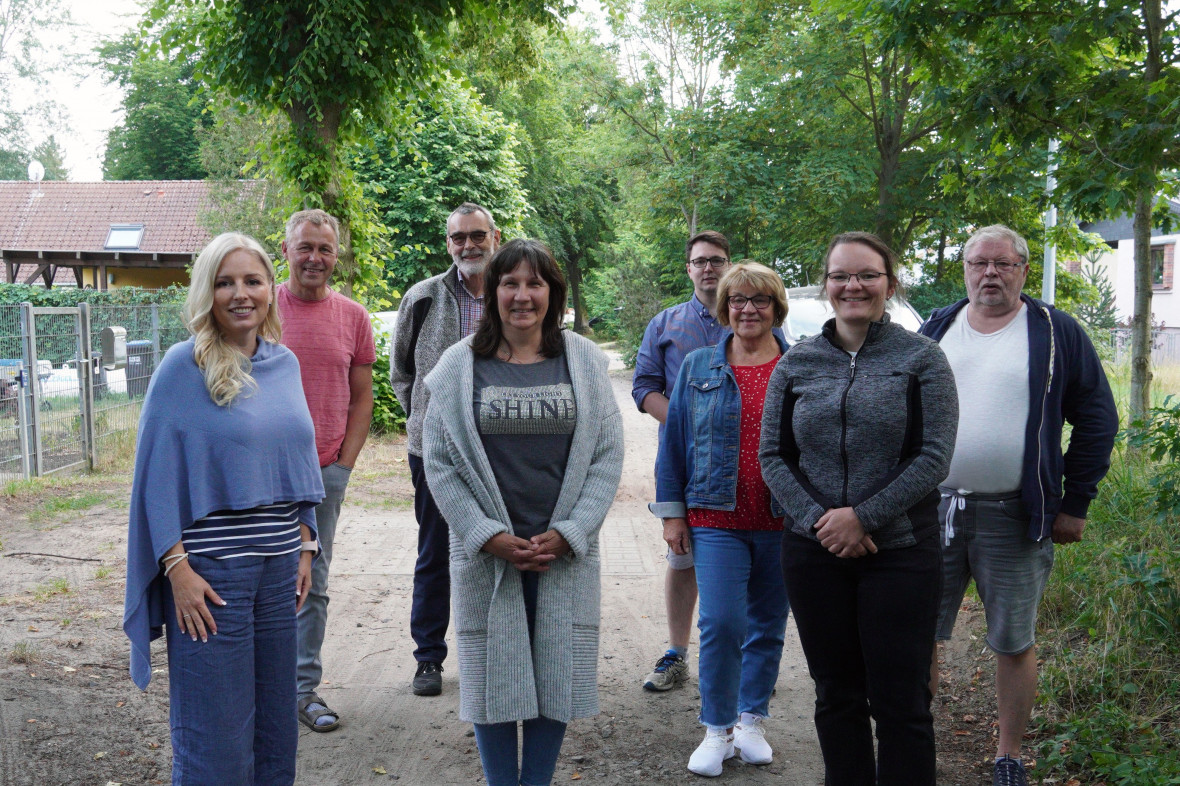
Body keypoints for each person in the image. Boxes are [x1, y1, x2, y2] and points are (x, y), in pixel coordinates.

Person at [123, 232, 325, 784]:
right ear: (206, 293)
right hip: (211, 578)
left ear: (270, 289)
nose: (241, 293)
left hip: (281, 570)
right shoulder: (180, 367)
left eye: (252, 281)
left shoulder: (284, 364)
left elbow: (297, 462)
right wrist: (176, 571)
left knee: (276, 731)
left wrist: (306, 543)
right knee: (215, 738)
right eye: (225, 282)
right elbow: (155, 480)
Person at [919, 224, 1117, 786]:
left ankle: (1008, 756)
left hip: (1017, 514)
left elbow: (1098, 419)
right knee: (919, 632)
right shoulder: (936, 328)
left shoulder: (1056, 332)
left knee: (1012, 638)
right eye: (979, 263)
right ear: (964, 268)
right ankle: (916, 743)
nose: (990, 273)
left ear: (1024, 270)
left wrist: (1075, 502)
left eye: (1004, 264)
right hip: (931, 511)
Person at [422, 239, 624, 786]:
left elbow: (607, 456)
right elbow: (440, 464)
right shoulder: (458, 365)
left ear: (552, 293)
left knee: (553, 674)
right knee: (491, 678)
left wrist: (571, 531)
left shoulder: (581, 359)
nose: (522, 295)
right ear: (493, 292)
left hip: (562, 555)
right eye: (510, 283)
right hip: (489, 557)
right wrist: (485, 535)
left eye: (535, 283)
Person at [759, 232, 958, 785]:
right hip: (814, 553)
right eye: (841, 275)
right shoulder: (796, 363)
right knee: (836, 695)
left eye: (867, 275)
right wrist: (826, 522)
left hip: (900, 555)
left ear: (889, 285)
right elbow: (773, 456)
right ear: (826, 286)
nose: (854, 285)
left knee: (901, 701)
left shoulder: (923, 358)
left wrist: (861, 517)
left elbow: (933, 456)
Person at [652, 262, 792, 777]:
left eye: (759, 300)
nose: (748, 309)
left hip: (783, 519)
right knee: (721, 622)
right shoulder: (698, 366)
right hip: (715, 515)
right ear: (724, 307)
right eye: (738, 300)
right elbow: (674, 444)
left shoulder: (798, 366)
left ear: (776, 307)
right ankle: (716, 729)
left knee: (768, 624)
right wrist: (673, 514)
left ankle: (751, 721)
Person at [391, 202, 501, 696]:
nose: (469, 246)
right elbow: (402, 374)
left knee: (499, 548)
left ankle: (498, 651)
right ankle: (428, 659)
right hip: (434, 449)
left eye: (477, 235)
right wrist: (426, 420)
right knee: (434, 551)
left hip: (502, 448)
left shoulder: (512, 291)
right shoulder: (423, 297)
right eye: (459, 238)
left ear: (495, 237)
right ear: (449, 242)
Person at [276, 209, 376, 732]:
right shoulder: (259, 305)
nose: (315, 257)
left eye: (325, 249)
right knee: (256, 578)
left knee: (310, 584)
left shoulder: (353, 317)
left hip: (322, 475)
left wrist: (343, 466)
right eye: (306, 246)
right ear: (287, 249)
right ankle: (259, 690)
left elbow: (363, 397)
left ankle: (302, 692)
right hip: (263, 475)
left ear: (337, 256)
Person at [631, 230, 732, 692]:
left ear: (729, 265)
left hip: (742, 461)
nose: (709, 268)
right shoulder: (665, 324)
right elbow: (644, 386)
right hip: (684, 461)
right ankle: (677, 652)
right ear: (688, 268)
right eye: (700, 261)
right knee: (683, 555)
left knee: (745, 555)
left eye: (717, 260)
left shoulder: (754, 318)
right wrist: (685, 422)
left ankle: (743, 658)